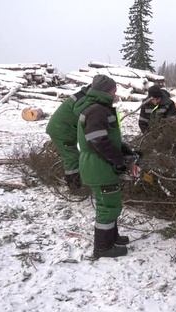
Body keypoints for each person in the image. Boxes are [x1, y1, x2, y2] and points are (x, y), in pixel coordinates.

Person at [74, 75, 133, 258]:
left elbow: (105, 137)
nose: (115, 93)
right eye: (114, 90)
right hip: (99, 165)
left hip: (100, 164)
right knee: (107, 206)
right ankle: (103, 247)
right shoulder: (97, 110)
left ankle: (112, 238)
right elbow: (98, 140)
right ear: (105, 91)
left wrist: (123, 149)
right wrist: (118, 159)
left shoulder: (99, 108)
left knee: (112, 203)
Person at [45, 85, 89, 191]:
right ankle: (74, 187)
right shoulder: (85, 100)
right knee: (72, 157)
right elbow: (84, 116)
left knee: (76, 154)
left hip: (64, 128)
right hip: (62, 130)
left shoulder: (83, 95)